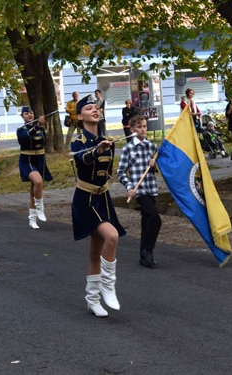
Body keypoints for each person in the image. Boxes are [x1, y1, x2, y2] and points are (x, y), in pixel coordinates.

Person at [71, 94, 126, 317]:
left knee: (95, 252)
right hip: (85, 198)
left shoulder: (108, 140)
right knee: (111, 236)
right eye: (89, 108)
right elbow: (81, 160)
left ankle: (92, 299)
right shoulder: (78, 141)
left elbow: (106, 174)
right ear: (80, 115)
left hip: (103, 197)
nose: (95, 110)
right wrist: (98, 150)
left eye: (97, 108)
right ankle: (108, 286)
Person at [116, 115, 161, 268]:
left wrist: (154, 165)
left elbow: (158, 169)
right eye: (140, 127)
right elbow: (120, 172)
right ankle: (148, 250)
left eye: (144, 126)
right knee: (155, 218)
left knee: (147, 221)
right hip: (139, 190)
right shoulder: (128, 148)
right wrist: (129, 187)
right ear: (132, 129)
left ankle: (144, 255)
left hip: (151, 188)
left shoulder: (151, 146)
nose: (143, 129)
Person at [16, 106, 52, 229]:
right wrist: (37, 126)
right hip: (27, 160)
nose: (29, 115)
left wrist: (39, 127)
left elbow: (44, 142)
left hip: (40, 159)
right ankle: (40, 207)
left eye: (31, 112)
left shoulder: (40, 129)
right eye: (26, 113)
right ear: (22, 116)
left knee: (34, 190)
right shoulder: (21, 129)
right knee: (38, 181)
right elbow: (26, 137)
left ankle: (32, 219)